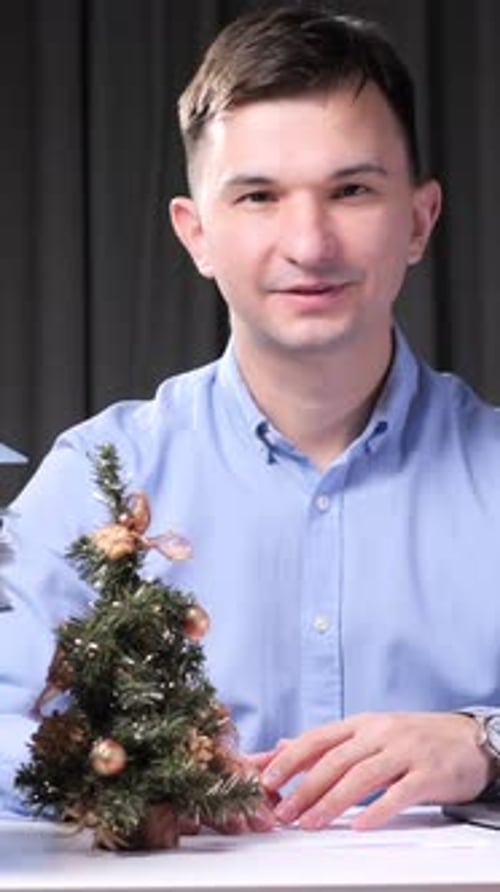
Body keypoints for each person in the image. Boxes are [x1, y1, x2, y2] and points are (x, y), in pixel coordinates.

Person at [2, 3, 500, 836]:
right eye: (259, 196)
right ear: (196, 235)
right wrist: (121, 769)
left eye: (352, 190)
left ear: (418, 220)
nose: (309, 243)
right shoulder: (95, 478)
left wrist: (487, 744)